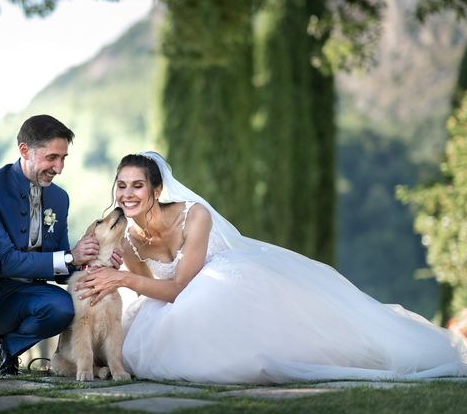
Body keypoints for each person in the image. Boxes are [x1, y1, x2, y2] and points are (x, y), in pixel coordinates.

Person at [76, 151, 467, 384]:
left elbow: (180, 287)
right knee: (153, 336)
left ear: (156, 190)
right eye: (121, 186)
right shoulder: (125, 236)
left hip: (218, 285)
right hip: (171, 302)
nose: (127, 194)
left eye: (137, 186)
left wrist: (121, 277)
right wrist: (115, 270)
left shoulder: (194, 217)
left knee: (213, 303)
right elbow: (149, 290)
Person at [0, 114, 116, 382]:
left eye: (63, 158)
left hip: (21, 298)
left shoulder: (59, 198)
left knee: (63, 306)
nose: (59, 167)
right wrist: (67, 257)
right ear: (24, 150)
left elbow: (62, 269)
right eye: (52, 157)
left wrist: (94, 258)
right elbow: (5, 260)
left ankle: (7, 348)